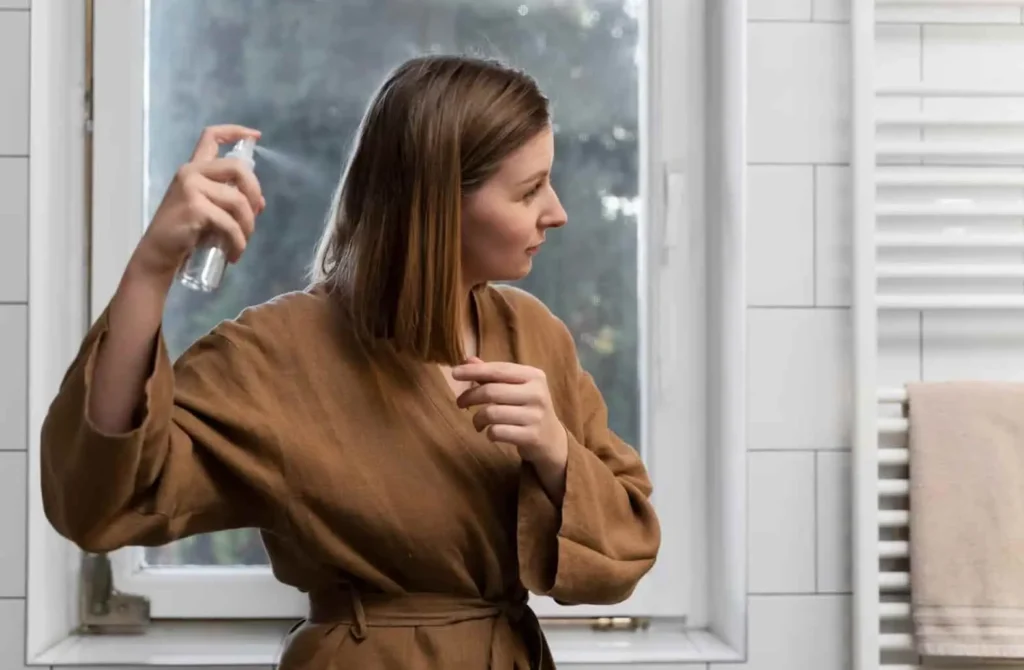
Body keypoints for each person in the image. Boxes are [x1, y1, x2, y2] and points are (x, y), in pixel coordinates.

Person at [40, 55, 661, 669]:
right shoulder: (284, 353)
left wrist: (554, 451)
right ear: (438, 203)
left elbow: (627, 549)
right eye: (529, 190)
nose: (557, 212)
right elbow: (100, 504)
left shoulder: (534, 336)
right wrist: (152, 268)